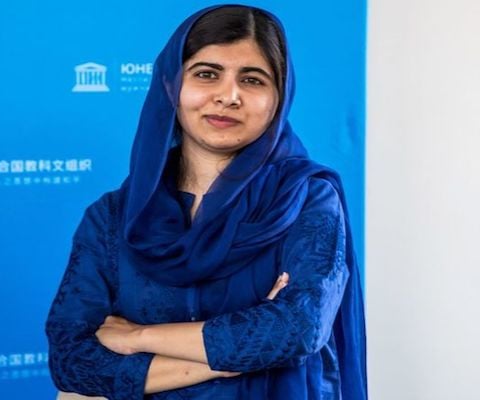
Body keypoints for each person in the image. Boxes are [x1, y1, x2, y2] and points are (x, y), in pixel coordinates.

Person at [46, 4, 367, 399]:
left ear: (278, 100)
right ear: (170, 86)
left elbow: (299, 328)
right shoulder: (113, 218)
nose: (229, 96)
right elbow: (71, 360)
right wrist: (231, 353)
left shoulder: (306, 198)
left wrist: (139, 336)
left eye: (252, 80)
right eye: (207, 74)